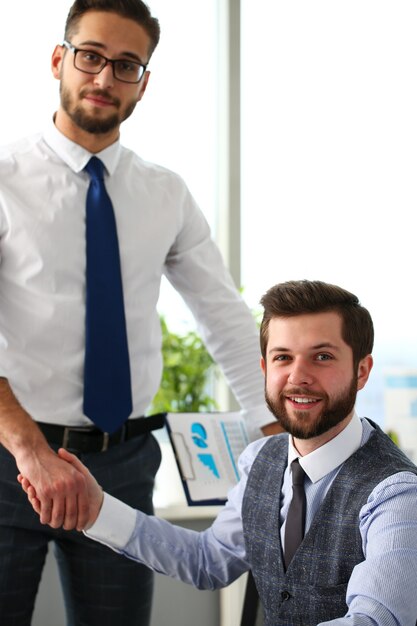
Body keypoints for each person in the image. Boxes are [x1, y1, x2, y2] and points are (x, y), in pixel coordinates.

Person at [0, 1, 279, 624]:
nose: (104, 78)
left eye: (126, 65)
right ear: (58, 60)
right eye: (90, 56)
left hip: (121, 466)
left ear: (144, 84)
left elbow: (224, 316)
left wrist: (275, 432)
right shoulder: (5, 179)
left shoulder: (165, 193)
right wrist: (29, 451)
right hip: (9, 459)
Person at [21, 279, 417, 625]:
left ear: (362, 371)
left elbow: (375, 619)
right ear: (264, 368)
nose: (298, 376)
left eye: (323, 357)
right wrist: (97, 510)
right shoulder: (259, 459)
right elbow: (207, 560)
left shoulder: (396, 493)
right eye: (283, 358)